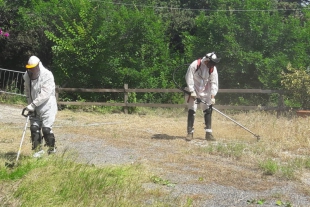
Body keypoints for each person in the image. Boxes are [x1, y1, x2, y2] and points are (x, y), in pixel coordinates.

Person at [23, 55, 58, 155]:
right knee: (34, 128)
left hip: (47, 105)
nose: (31, 70)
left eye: (33, 67)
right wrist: (29, 104)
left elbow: (45, 93)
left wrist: (33, 104)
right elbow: (27, 90)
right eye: (29, 68)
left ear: (38, 65)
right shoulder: (27, 75)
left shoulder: (47, 75)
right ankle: (37, 151)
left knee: (46, 129)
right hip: (34, 106)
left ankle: (51, 149)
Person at [185, 52, 220, 141]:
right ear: (207, 60)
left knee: (208, 110)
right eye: (211, 63)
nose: (213, 65)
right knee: (192, 110)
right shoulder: (195, 65)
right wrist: (192, 91)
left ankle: (208, 133)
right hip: (193, 90)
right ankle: (190, 133)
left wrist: (212, 96)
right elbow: (189, 78)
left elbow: (214, 82)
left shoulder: (212, 69)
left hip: (205, 91)